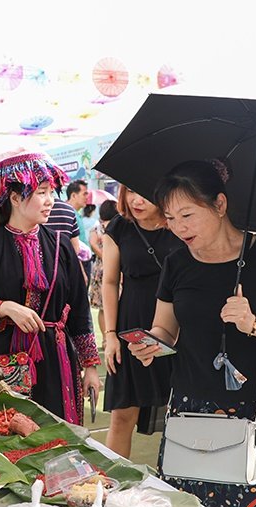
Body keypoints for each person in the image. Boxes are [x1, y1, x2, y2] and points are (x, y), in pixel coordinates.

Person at [128, 159, 256, 507]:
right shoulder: (176, 262)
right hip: (190, 407)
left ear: (219, 204)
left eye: (187, 214)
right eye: (170, 217)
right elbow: (164, 329)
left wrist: (254, 324)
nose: (178, 227)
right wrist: (152, 344)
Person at [0, 153, 101, 424]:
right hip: (5, 357)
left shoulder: (61, 246)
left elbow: (80, 310)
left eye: (51, 192)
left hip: (56, 356)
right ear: (14, 197)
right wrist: (5, 308)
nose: (50, 200)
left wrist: (91, 367)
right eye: (41, 192)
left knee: (59, 436)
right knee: (6, 432)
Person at [102, 186, 183, 457]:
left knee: (181, 416)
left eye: (145, 193)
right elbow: (110, 282)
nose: (137, 200)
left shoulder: (179, 224)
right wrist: (110, 334)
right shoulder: (119, 227)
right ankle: (113, 489)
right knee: (122, 415)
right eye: (130, 192)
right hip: (131, 327)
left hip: (177, 325)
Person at [88, 200, 117, 339]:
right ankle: (111, 336)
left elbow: (93, 244)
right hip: (111, 267)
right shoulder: (117, 227)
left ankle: (106, 338)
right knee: (111, 303)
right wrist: (108, 257)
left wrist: (104, 257)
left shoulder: (97, 228)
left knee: (102, 307)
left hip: (99, 268)